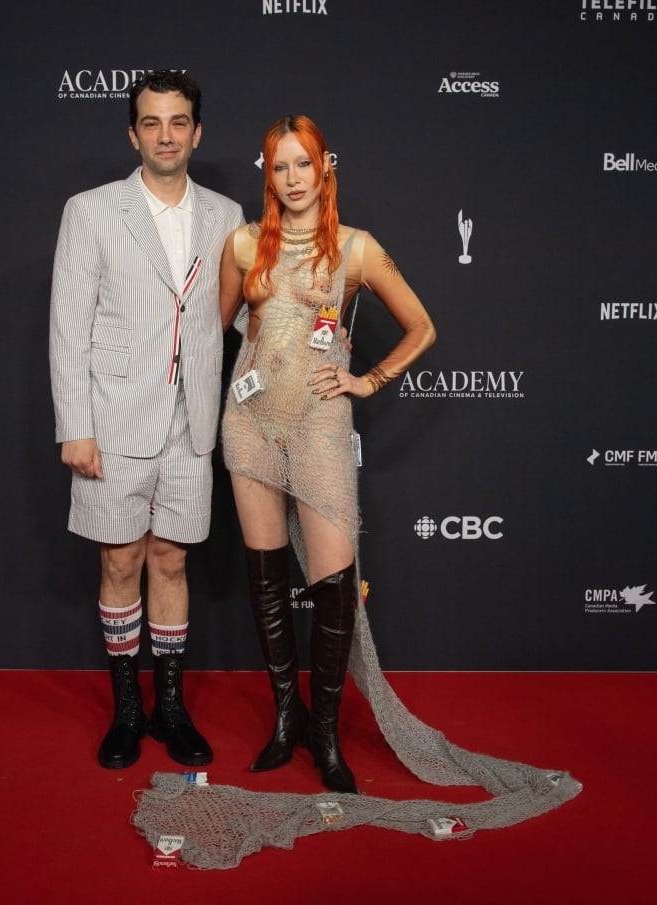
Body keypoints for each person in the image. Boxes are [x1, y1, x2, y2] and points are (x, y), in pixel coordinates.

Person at [218, 115, 436, 793]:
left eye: (302, 165)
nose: (292, 179)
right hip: (249, 423)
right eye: (279, 167)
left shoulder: (357, 248)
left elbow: (422, 327)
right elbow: (217, 328)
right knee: (265, 576)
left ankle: (326, 734)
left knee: (334, 589)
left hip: (320, 426)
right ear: (268, 176)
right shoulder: (244, 242)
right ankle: (287, 719)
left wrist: (364, 379)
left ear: (323, 169)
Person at [49, 70, 244, 770]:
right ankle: (127, 710)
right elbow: (67, 327)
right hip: (113, 421)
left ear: (197, 131)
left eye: (180, 121)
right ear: (134, 134)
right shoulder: (92, 211)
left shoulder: (225, 214)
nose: (167, 134)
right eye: (153, 123)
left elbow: (242, 311)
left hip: (192, 423)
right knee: (122, 558)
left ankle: (171, 706)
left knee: (170, 558)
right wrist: (76, 424)